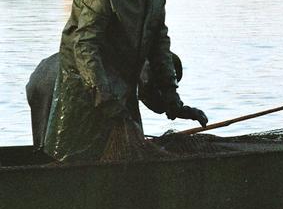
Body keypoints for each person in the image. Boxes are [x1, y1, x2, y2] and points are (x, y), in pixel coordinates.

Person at [42, 0, 207, 162]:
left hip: (122, 79)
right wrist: (106, 100)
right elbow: (85, 48)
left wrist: (173, 102)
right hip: (85, 83)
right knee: (76, 155)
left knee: (128, 153)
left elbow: (159, 42)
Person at [26, 51, 184, 149]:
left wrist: (171, 105)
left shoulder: (133, 56)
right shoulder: (128, 75)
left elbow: (150, 100)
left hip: (44, 71)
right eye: (161, 89)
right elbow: (130, 128)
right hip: (64, 78)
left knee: (46, 147)